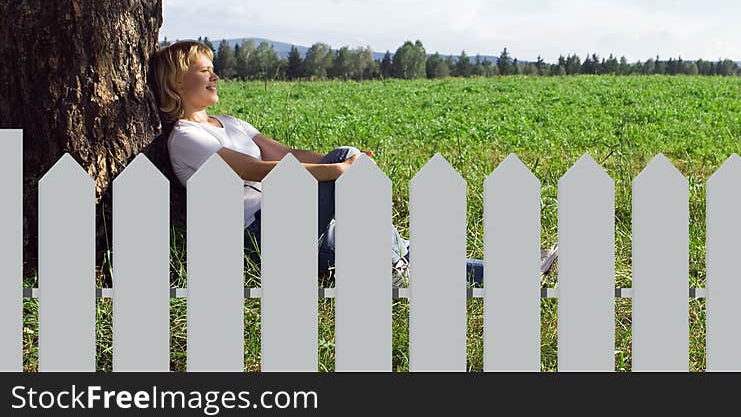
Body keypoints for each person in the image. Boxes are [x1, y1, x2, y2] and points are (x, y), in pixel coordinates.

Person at [151, 40, 503, 286]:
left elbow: (284, 154)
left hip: (293, 221)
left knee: (395, 252)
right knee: (386, 245)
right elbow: (250, 169)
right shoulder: (184, 137)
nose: (214, 76)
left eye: (213, 69)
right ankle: (396, 262)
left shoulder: (229, 123)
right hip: (257, 237)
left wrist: (344, 164)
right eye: (204, 70)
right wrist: (333, 172)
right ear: (176, 81)